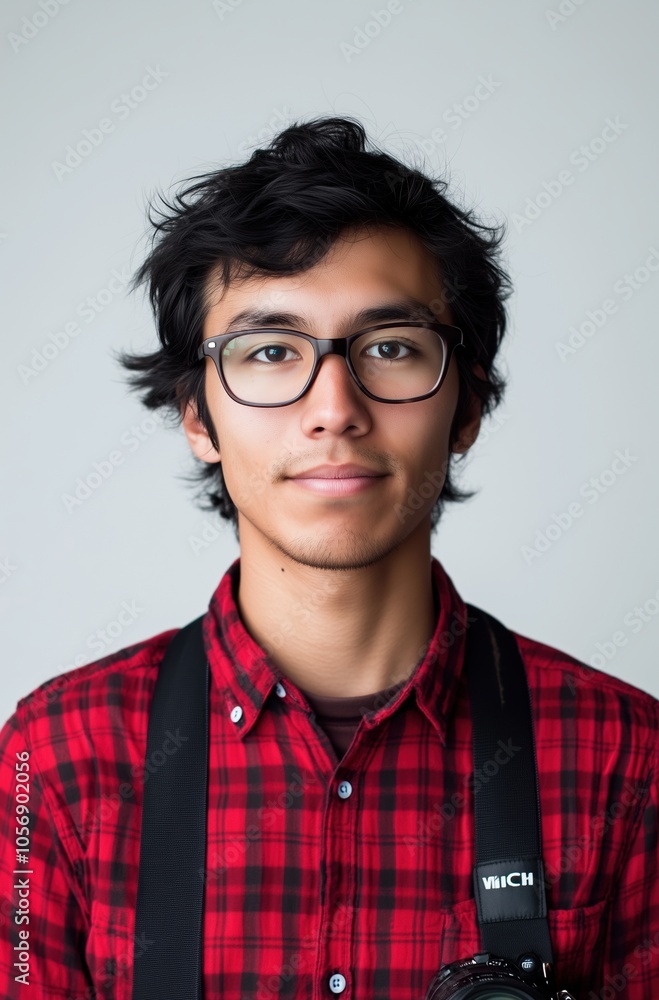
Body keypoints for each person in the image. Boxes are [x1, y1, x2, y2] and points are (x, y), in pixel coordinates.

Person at [0, 115, 656, 1000]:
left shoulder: (626, 759)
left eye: (390, 348)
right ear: (198, 417)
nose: (334, 408)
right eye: (271, 351)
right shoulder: (53, 762)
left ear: (466, 407)